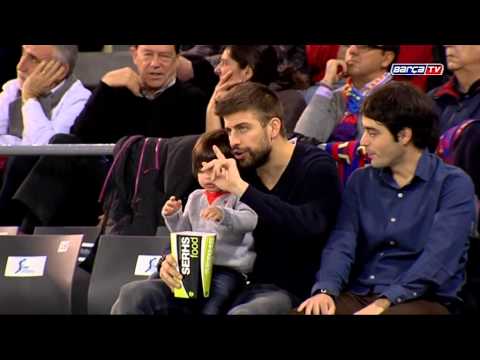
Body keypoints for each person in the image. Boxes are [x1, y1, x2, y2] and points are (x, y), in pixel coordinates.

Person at [132, 82, 340, 314]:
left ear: (272, 127)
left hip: (280, 289)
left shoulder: (314, 166)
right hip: (214, 279)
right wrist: (167, 260)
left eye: (242, 128)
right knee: (136, 294)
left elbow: (311, 226)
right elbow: (194, 220)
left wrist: (242, 189)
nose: (234, 141)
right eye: (229, 130)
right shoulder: (238, 164)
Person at [298, 82, 476, 315]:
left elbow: (439, 259)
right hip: (361, 293)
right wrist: (326, 290)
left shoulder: (453, 184)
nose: (362, 143)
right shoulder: (361, 180)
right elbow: (342, 242)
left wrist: (386, 301)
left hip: (423, 299)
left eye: (373, 133)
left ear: (404, 135)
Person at [14, 45, 209, 231]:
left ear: (177, 59)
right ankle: (24, 230)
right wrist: (105, 87)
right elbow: (79, 138)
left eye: (164, 56)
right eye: (148, 54)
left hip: (156, 185)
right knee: (58, 146)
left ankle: (25, 231)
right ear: (134, 55)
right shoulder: (115, 92)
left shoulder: (192, 99)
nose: (155, 64)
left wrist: (149, 101)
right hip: (110, 179)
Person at [110, 129, 258, 314]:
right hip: (194, 264)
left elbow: (250, 220)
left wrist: (224, 215)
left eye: (215, 170)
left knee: (214, 305)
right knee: (149, 289)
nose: (209, 177)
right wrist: (173, 216)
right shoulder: (196, 197)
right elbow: (184, 232)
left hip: (226, 270)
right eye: (203, 171)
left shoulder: (239, 195)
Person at [0, 45, 90, 226]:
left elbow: (46, 153)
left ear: (60, 70)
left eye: (33, 59)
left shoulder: (79, 99)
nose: (20, 65)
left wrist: (30, 99)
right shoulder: (11, 89)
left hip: (47, 198)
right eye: (22, 54)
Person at [294, 45, 398, 143]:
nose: (352, 51)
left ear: (386, 59)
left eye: (363, 46)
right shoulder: (334, 95)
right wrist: (326, 82)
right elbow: (304, 141)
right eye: (347, 45)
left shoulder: (398, 98)